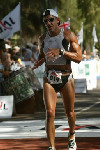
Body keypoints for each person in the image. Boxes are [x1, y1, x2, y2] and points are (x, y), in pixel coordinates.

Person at [32, 9, 82, 150]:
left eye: (51, 19)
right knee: (50, 112)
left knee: (70, 112)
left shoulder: (68, 35)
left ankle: (71, 136)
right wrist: (39, 62)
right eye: (45, 21)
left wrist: (61, 52)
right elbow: (43, 55)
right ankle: (51, 147)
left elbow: (78, 58)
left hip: (66, 77)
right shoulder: (42, 38)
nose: (48, 23)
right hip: (49, 77)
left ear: (58, 20)